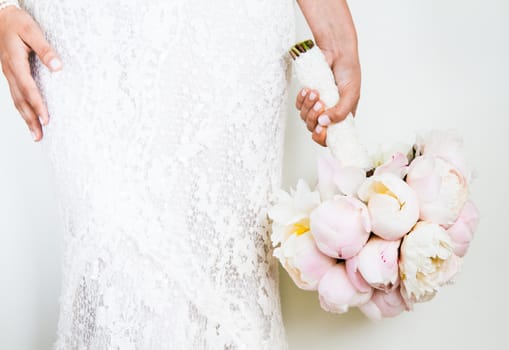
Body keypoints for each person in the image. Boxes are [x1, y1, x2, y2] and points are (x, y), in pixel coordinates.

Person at [0, 0, 361, 348]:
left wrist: (328, 11)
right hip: (89, 31)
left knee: (227, 277)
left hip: (230, 28)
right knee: (111, 258)